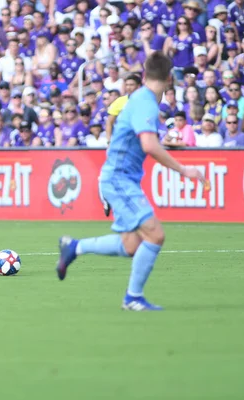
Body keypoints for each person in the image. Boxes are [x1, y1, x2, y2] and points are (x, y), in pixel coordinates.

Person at [55, 52, 205, 311]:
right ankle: (133, 298)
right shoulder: (145, 101)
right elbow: (149, 144)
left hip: (120, 179)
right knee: (155, 235)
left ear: (145, 75)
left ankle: (74, 247)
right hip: (119, 180)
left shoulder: (141, 100)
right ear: (170, 79)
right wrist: (184, 170)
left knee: (132, 244)